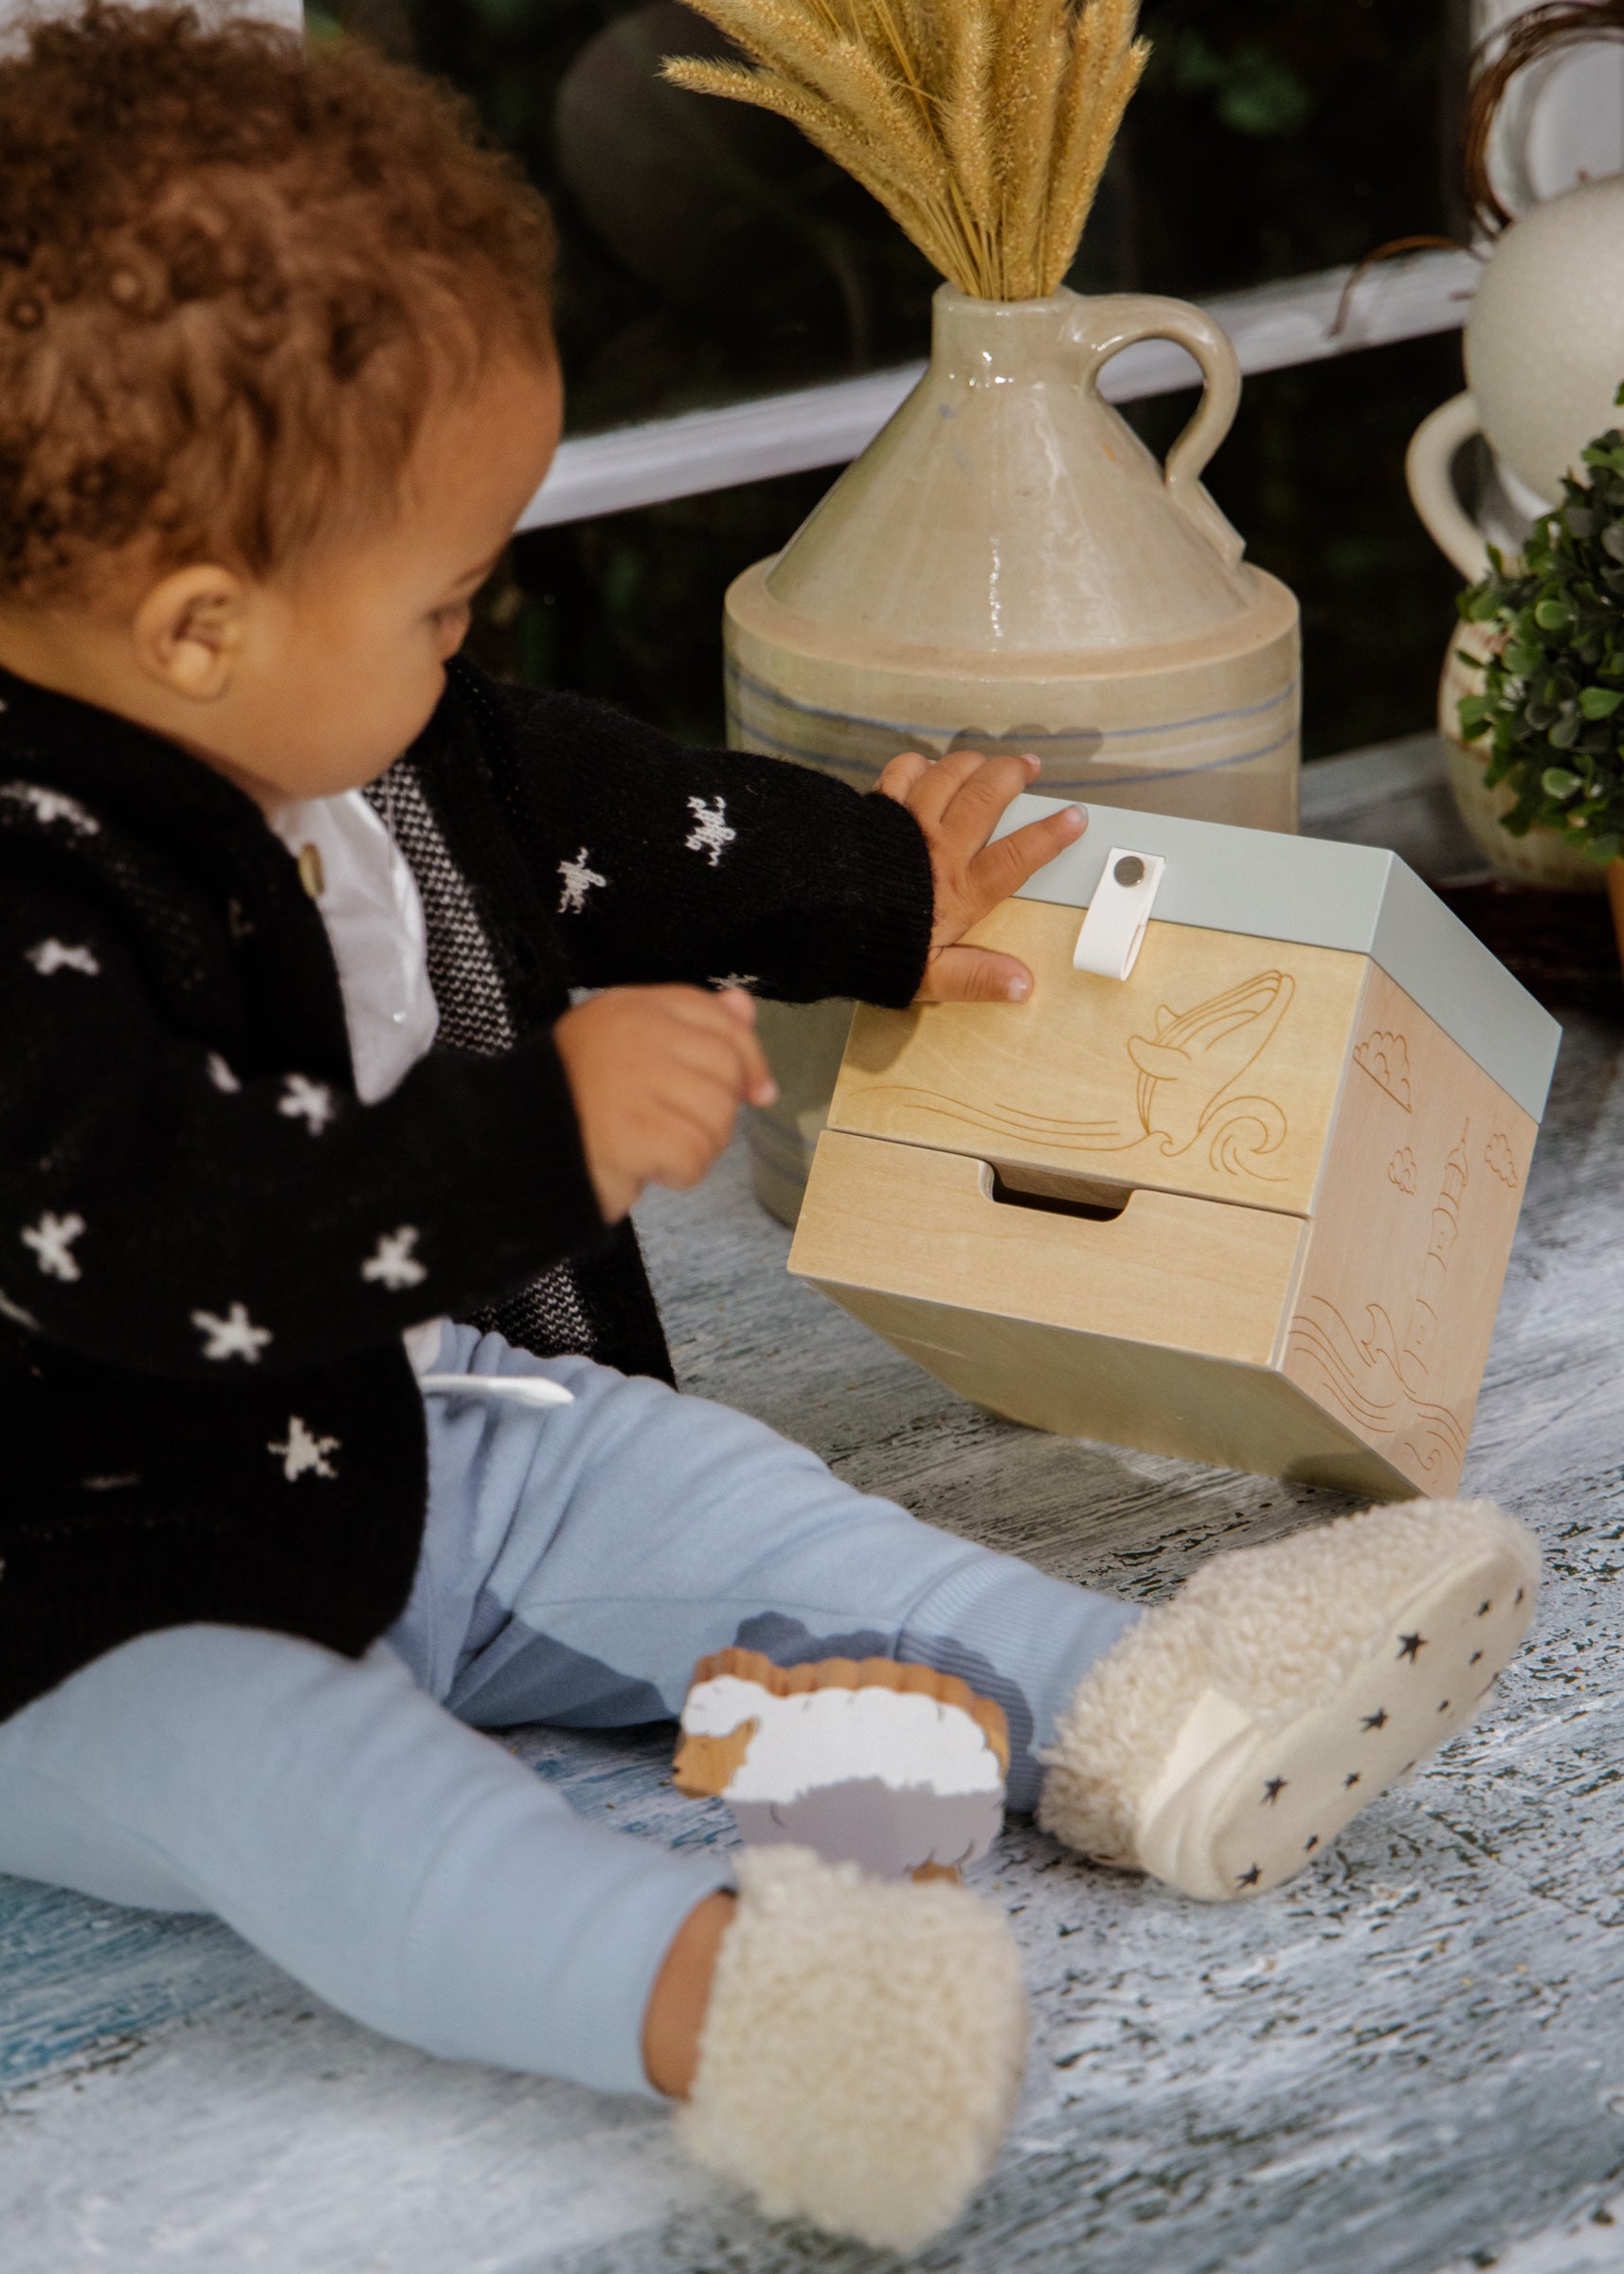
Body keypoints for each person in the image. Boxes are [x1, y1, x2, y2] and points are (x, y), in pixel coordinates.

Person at [0, 6, 1540, 2251]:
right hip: (99, 1602)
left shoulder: (365, 735)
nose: (469, 646)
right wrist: (531, 1138)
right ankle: (741, 2011)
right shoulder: (25, 894)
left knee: (706, 1493)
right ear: (203, 629)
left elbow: (612, 810)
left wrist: (887, 883)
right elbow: (152, 1231)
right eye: (442, 600)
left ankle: (1149, 1707)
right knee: (319, 1800)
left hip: (424, 1446)